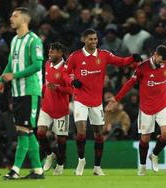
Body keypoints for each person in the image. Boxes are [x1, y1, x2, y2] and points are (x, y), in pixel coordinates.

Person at [64, 28, 142, 176]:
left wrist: (133, 58)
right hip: (80, 99)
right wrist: (72, 81)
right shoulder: (75, 56)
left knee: (99, 135)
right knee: (80, 133)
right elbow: (65, 73)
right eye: (90, 39)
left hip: (96, 101)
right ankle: (81, 161)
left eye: (95, 39)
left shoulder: (104, 55)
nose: (93, 41)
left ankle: (97, 167)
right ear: (83, 40)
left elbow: (120, 61)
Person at [106, 45, 166, 176]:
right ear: (155, 54)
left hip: (162, 106)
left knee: (165, 134)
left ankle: (154, 155)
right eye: (160, 60)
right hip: (146, 108)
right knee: (145, 138)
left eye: (164, 62)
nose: (162, 64)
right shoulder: (142, 68)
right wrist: (116, 98)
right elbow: (129, 84)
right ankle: (142, 166)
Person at [0, 7, 44, 179]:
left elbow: (37, 65)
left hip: (30, 92)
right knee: (27, 131)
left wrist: (14, 75)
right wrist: (1, 79)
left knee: (23, 131)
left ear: (24, 20)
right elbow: (10, 63)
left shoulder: (34, 40)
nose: (11, 18)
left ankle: (15, 170)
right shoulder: (15, 40)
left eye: (14, 16)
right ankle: (38, 170)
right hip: (17, 92)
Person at [37, 42, 72, 175]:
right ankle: (50, 154)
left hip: (61, 110)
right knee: (40, 132)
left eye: (52, 52)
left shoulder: (66, 69)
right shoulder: (47, 64)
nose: (49, 54)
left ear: (60, 53)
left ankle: (61, 164)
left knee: (61, 139)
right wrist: (42, 92)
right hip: (46, 107)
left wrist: (58, 88)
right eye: (49, 51)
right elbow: (46, 82)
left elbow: (72, 89)